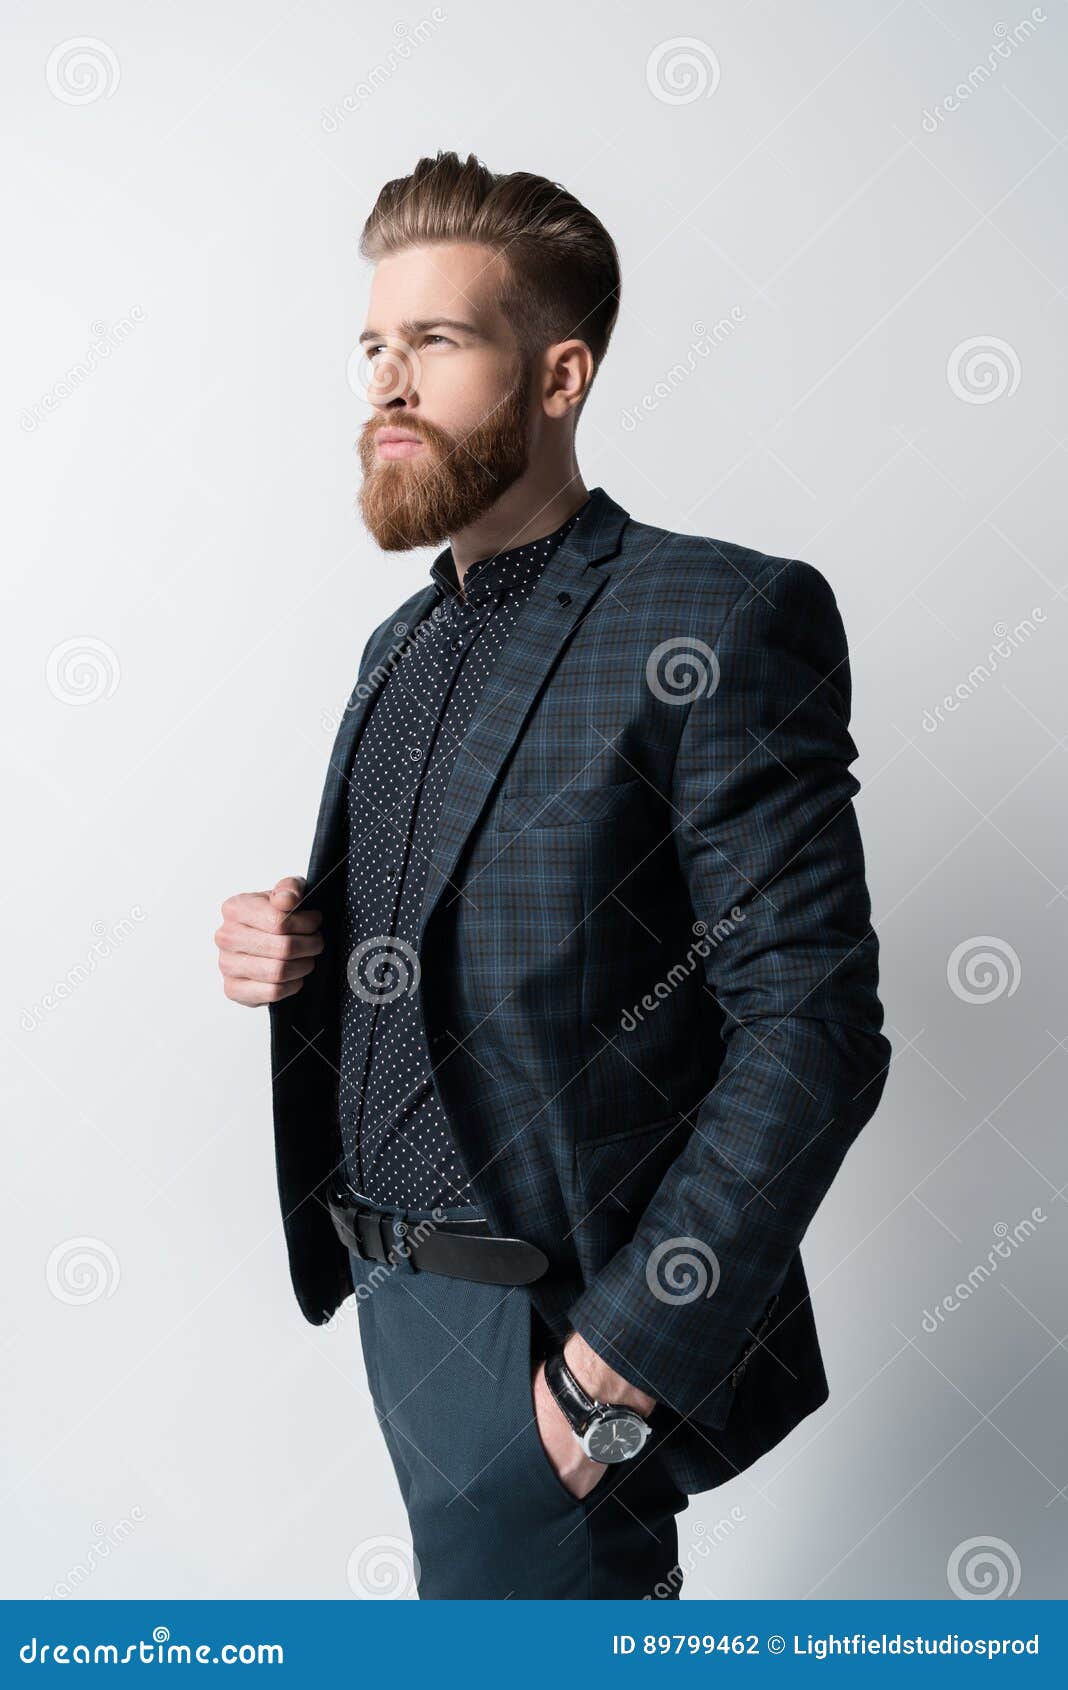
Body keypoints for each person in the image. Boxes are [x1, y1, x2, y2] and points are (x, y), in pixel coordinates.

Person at [215, 151, 891, 1600]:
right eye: (374, 347)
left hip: (557, 1323)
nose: (386, 385)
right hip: (398, 1301)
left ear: (560, 375)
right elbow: (459, 936)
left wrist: (608, 1376)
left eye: (438, 342)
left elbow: (816, 1030)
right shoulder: (396, 647)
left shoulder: (719, 612)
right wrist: (294, 949)